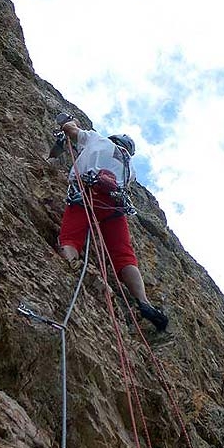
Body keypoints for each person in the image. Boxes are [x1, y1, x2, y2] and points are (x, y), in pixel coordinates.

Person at [56, 113, 168, 332]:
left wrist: (71, 123)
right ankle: (143, 302)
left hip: (87, 192)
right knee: (123, 254)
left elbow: (70, 129)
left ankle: (70, 265)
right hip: (115, 205)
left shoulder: (97, 139)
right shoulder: (130, 167)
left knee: (70, 237)